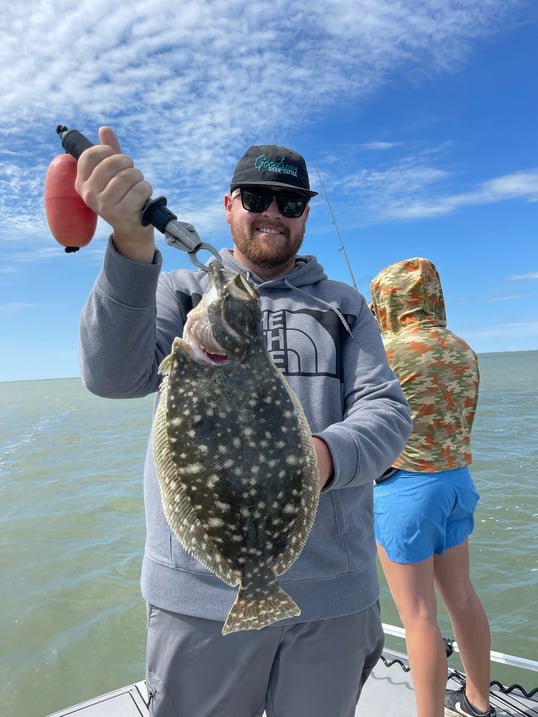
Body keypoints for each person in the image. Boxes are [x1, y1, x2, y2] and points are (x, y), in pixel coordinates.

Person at [75, 126, 412, 717]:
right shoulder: (180, 293)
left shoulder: (344, 306)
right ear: (229, 206)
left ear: (307, 214)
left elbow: (387, 413)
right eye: (255, 199)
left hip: (334, 594)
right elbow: (110, 376)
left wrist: (321, 458)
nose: (272, 214)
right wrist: (131, 243)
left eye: (291, 203)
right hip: (199, 599)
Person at [369, 257, 495, 717]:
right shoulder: (462, 348)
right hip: (457, 482)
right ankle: (479, 701)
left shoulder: (386, 351)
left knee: (419, 617)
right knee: (461, 595)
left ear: (389, 299)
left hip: (408, 491)